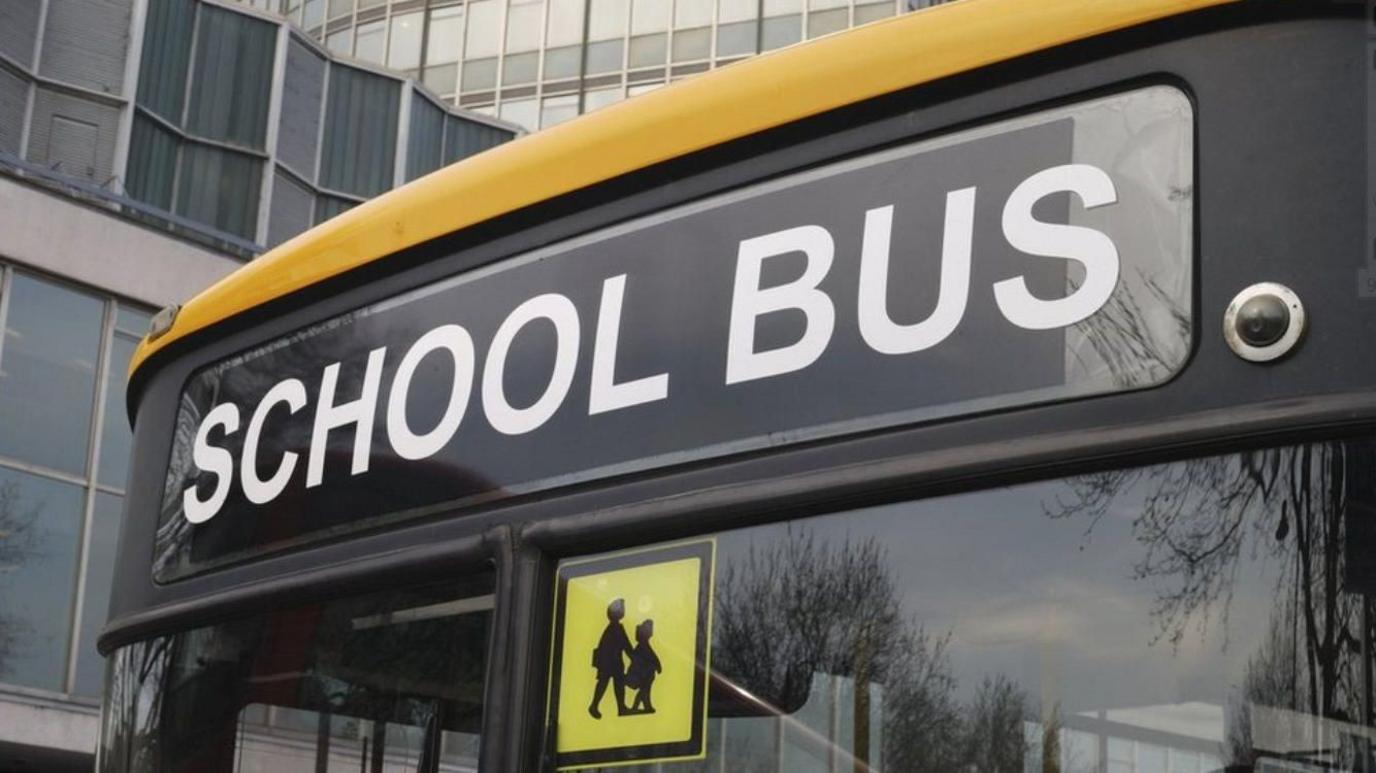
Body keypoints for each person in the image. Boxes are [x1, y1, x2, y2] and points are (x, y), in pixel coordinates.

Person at [588, 598, 633, 719]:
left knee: (617, 684)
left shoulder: (615, 627)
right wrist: (634, 656)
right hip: (610, 662)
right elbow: (626, 645)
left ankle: (620, 707)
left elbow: (626, 645)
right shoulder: (615, 628)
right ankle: (595, 705)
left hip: (613, 662)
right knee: (605, 684)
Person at [625, 619, 662, 714]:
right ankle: (638, 707)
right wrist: (657, 665)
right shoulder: (642, 645)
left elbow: (652, 657)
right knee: (644, 690)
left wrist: (657, 666)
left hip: (646, 674)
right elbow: (650, 656)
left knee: (645, 691)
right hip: (642, 674)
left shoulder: (644, 645)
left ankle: (646, 706)